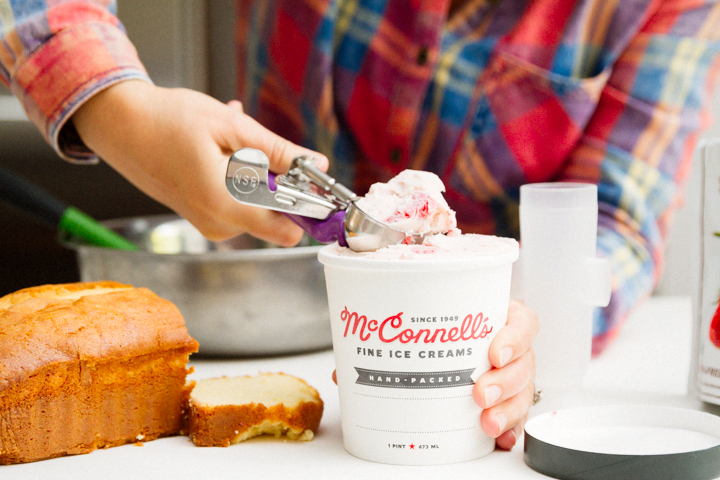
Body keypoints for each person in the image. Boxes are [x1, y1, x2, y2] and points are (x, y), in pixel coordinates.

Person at [2, 0, 719, 451]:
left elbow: (617, 226)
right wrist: (114, 107)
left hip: (468, 380)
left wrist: (526, 325)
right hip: (267, 300)